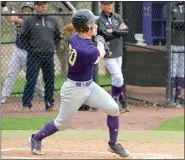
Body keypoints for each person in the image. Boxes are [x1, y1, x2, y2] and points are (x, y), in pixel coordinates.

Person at [28, 9, 131, 158]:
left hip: (89, 86)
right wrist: (101, 43)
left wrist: (96, 40)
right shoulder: (85, 50)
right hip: (73, 90)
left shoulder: (76, 37)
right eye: (92, 24)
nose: (95, 25)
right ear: (83, 28)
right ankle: (35, 138)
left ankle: (113, 144)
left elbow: (90, 42)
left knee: (114, 108)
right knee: (62, 124)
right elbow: (99, 55)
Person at [19, 1, 61, 111]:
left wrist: (53, 48)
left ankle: (49, 104)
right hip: (34, 56)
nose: (42, 7)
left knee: (50, 80)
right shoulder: (29, 21)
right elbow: (22, 38)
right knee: (31, 80)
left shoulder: (52, 20)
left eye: (44, 5)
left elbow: (57, 36)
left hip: (49, 55)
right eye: (40, 5)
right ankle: (26, 104)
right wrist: (31, 49)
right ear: (36, 7)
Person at [1, 1, 44, 104]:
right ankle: (3, 95)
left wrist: (15, 17)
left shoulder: (34, 20)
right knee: (11, 74)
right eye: (25, 10)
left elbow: (23, 22)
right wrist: (4, 8)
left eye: (29, 10)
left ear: (32, 11)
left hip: (29, 53)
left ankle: (42, 93)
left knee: (33, 76)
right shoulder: (19, 17)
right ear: (22, 10)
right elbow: (10, 19)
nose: (27, 12)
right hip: (17, 51)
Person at [97, 1, 130, 112]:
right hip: (108, 53)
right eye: (106, 4)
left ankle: (115, 101)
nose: (109, 6)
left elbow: (125, 31)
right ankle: (121, 101)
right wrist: (117, 32)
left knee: (116, 78)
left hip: (118, 51)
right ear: (102, 6)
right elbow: (104, 34)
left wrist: (114, 31)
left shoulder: (117, 17)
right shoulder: (99, 19)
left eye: (110, 3)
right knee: (118, 77)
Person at [165, 2, 185, 107]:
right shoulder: (170, 6)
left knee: (181, 70)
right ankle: (170, 97)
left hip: (184, 43)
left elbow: (177, 23)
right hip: (173, 43)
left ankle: (178, 96)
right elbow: (171, 23)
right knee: (173, 69)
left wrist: (179, 23)